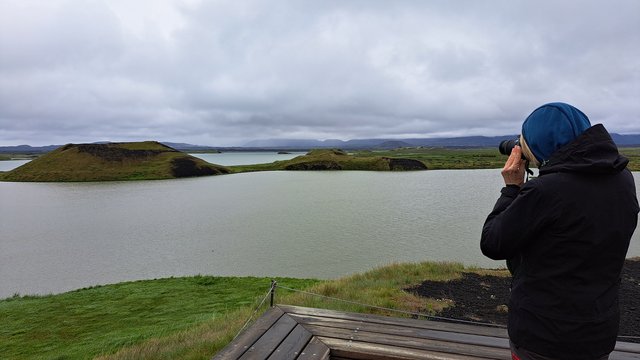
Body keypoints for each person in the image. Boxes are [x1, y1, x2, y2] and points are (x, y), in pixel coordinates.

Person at [480, 102, 639, 360]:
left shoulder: (546, 191)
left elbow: (492, 242)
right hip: (598, 332)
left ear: (542, 144)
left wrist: (511, 189)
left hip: (543, 338)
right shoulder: (623, 179)